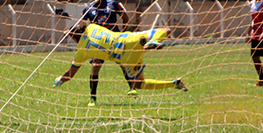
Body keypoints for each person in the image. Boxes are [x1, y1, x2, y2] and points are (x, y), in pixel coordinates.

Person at [53, 19, 188, 93]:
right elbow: (84, 22)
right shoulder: (92, 27)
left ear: (74, 38)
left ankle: (174, 84)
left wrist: (60, 79)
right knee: (166, 30)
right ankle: (154, 41)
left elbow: (70, 74)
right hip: (130, 40)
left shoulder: (81, 51)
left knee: (139, 84)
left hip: (126, 59)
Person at [80, 0, 131, 106]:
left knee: (122, 63)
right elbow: (82, 25)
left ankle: (132, 87)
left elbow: (126, 17)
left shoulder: (113, 4)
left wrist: (123, 34)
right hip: (99, 43)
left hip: (114, 40)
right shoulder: (88, 8)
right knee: (95, 66)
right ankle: (93, 98)